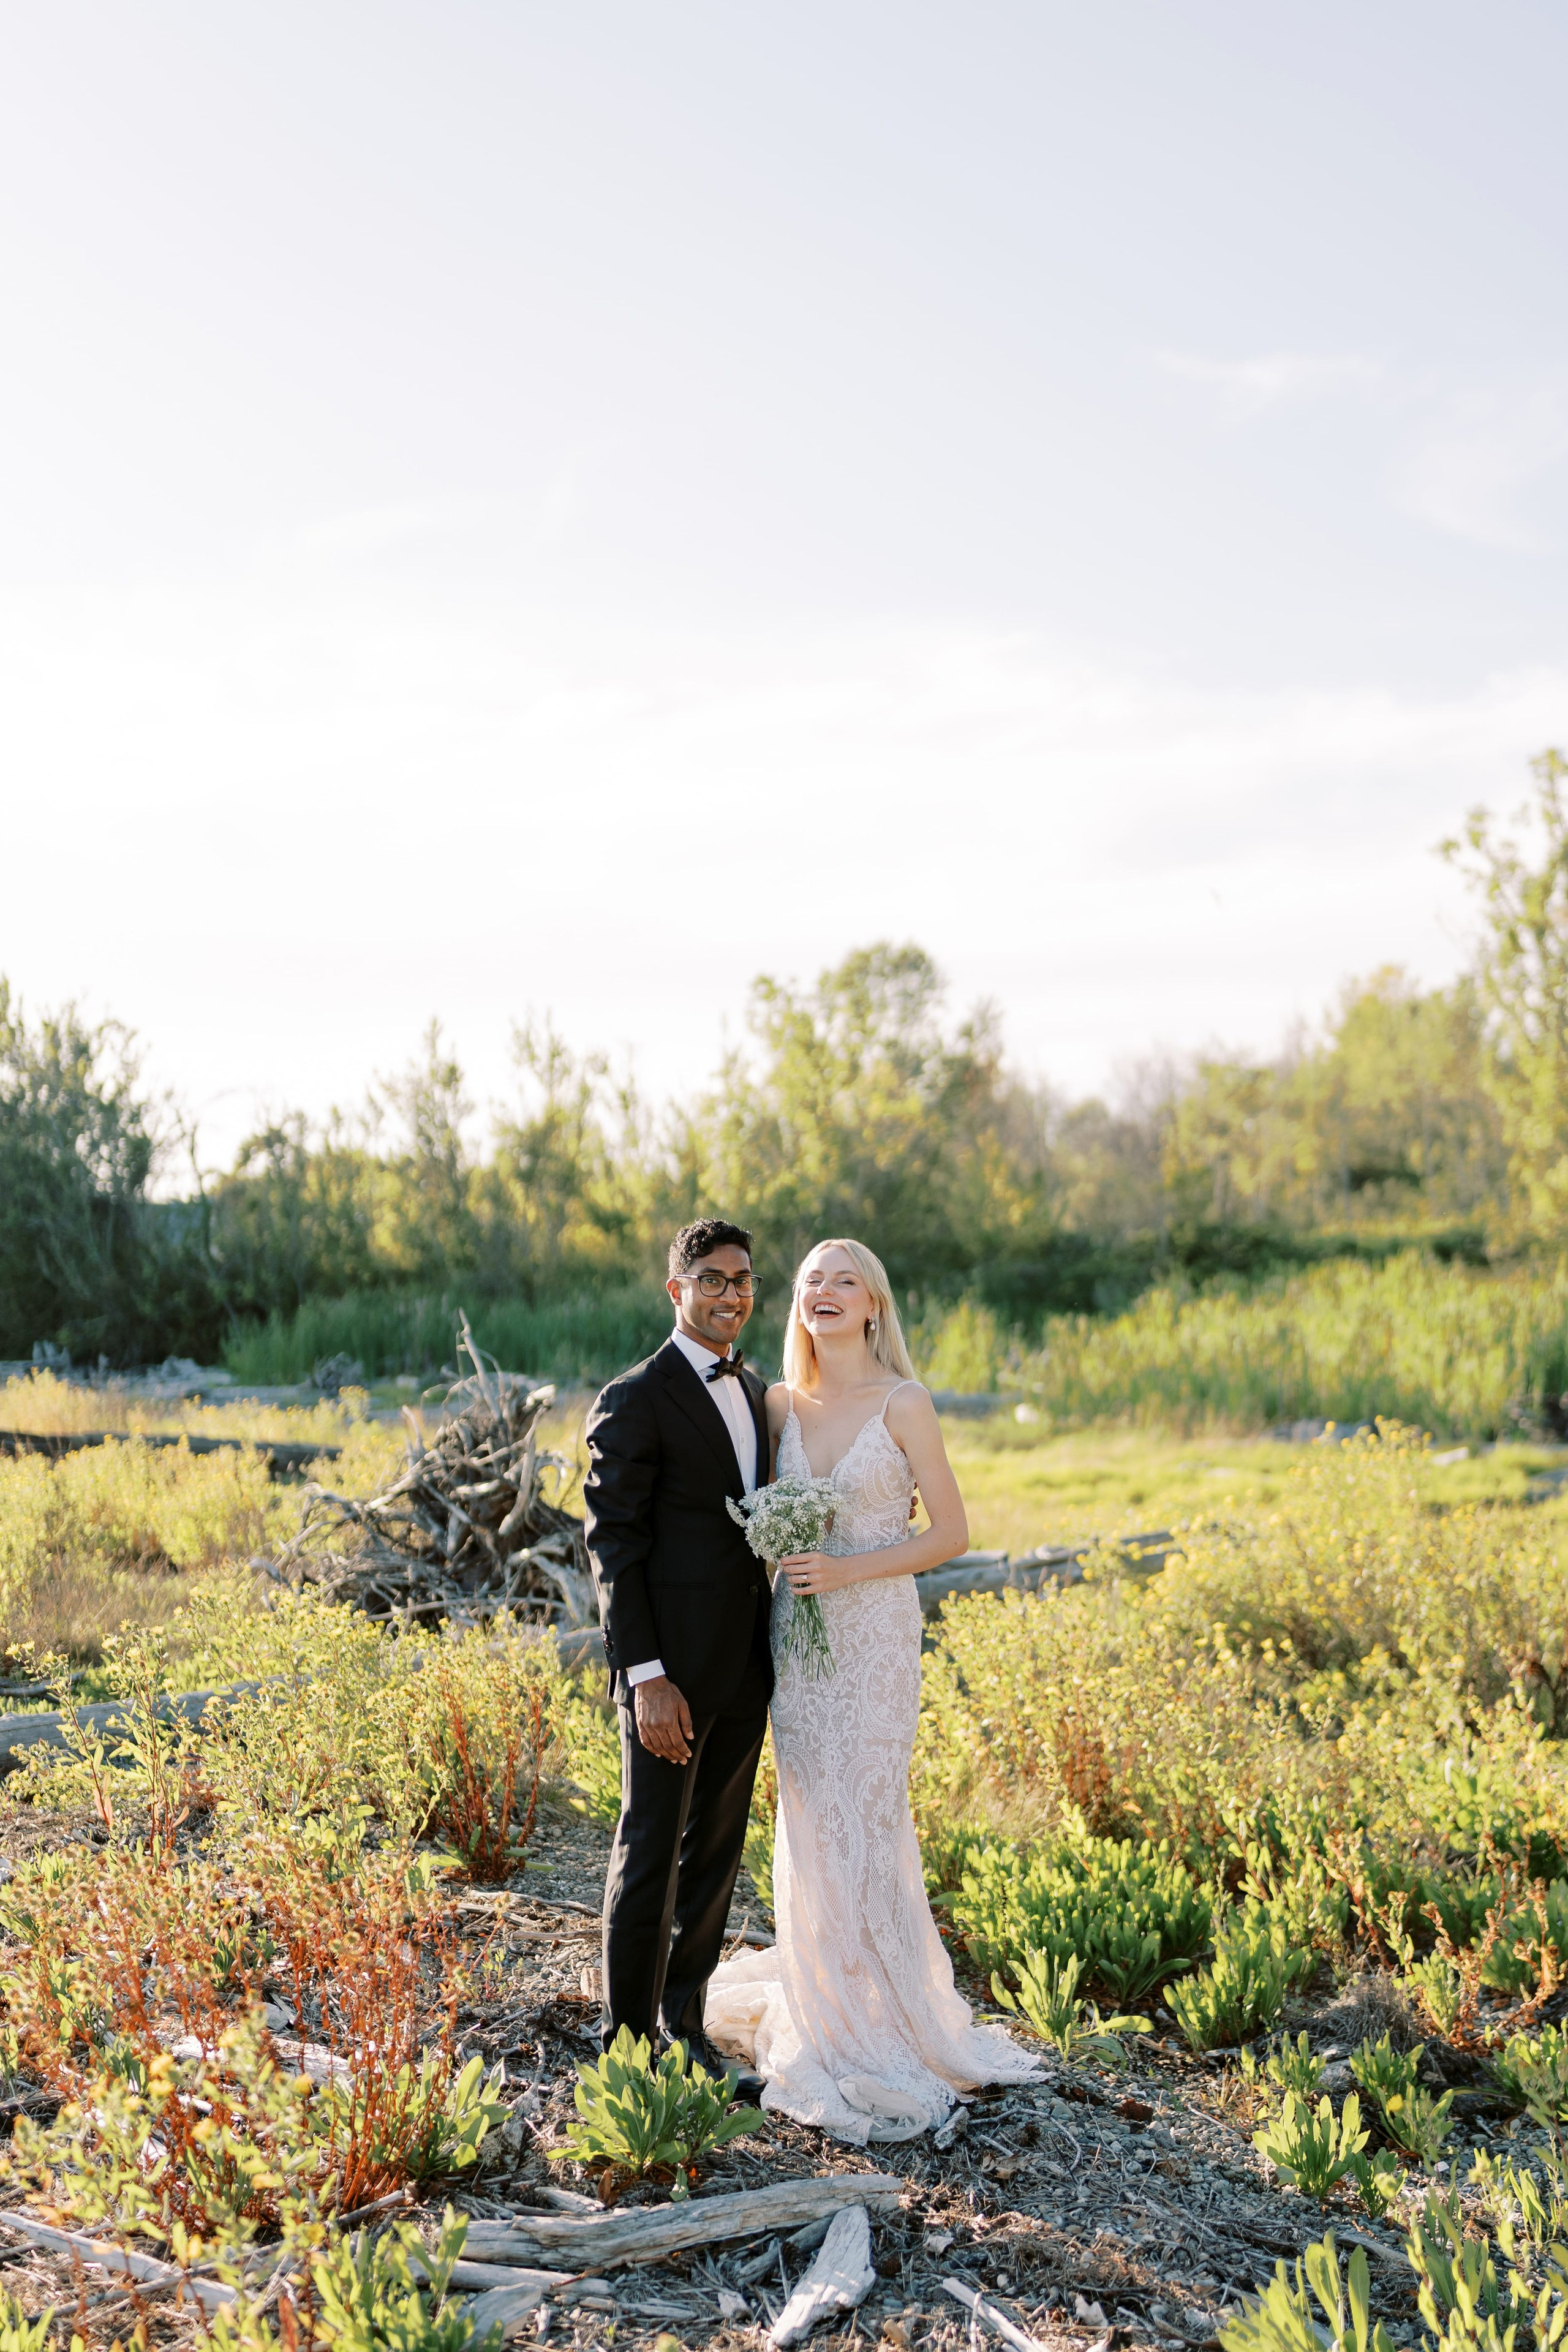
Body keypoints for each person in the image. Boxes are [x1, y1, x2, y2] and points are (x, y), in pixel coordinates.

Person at [704, 1237, 1039, 2141]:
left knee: (869, 1808)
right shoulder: (777, 1403)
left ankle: (888, 2012)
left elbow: (953, 1532)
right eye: (811, 1280)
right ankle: (824, 2002)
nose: (824, 1291)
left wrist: (847, 1573)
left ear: (873, 1305)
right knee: (812, 1815)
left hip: (877, 1634)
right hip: (801, 1643)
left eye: (843, 1280)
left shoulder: (906, 1403)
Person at [582, 1216, 771, 2095]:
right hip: (668, 1679)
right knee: (651, 1848)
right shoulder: (635, 1397)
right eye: (714, 1279)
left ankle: (684, 2024)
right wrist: (646, 1677)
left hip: (744, 1668)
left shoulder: (757, 1388)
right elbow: (613, 1548)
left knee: (717, 1852)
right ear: (677, 1290)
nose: (731, 1293)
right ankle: (626, 2047)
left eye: (742, 1280)